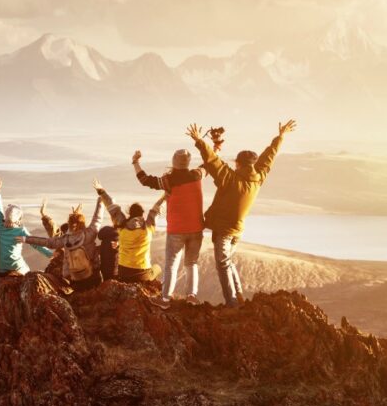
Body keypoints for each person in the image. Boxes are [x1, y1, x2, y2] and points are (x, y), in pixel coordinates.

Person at [187, 120, 296, 307]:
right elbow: (269, 156)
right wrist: (281, 136)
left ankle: (232, 303)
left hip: (224, 231)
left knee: (222, 264)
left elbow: (212, 161)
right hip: (237, 231)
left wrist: (199, 140)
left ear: (238, 163)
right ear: (253, 165)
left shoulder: (230, 179)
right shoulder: (258, 177)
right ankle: (238, 295)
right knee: (228, 262)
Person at [133, 148, 205, 309]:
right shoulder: (197, 175)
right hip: (196, 228)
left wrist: (136, 162)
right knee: (192, 262)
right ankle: (192, 296)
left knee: (171, 264)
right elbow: (208, 164)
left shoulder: (168, 180)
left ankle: (165, 300)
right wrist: (215, 148)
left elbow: (145, 180)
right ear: (187, 162)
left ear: (174, 162)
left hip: (177, 229)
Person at [19, 196, 105, 290]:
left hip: (75, 281)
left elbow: (48, 240)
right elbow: (97, 218)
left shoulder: (64, 240)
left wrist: (26, 238)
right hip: (92, 278)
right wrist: (101, 197)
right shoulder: (88, 235)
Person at [94, 179, 164, 283]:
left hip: (123, 272)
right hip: (143, 273)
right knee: (157, 267)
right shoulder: (148, 226)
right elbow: (156, 209)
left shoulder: (122, 225)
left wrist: (101, 191)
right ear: (142, 214)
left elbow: (111, 207)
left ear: (130, 213)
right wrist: (165, 197)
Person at [0, 177, 53, 274]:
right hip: (17, 266)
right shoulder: (21, 231)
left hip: (2, 267)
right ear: (19, 218)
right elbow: (36, 245)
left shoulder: (0, 226)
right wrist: (51, 254)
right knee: (29, 273)